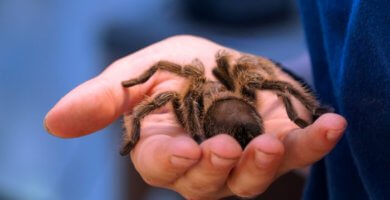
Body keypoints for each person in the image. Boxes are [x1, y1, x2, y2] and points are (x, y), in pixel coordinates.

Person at [45, 1, 389, 199]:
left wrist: (191, 132)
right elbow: (352, 57)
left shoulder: (189, 98)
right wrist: (306, 88)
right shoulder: (244, 86)